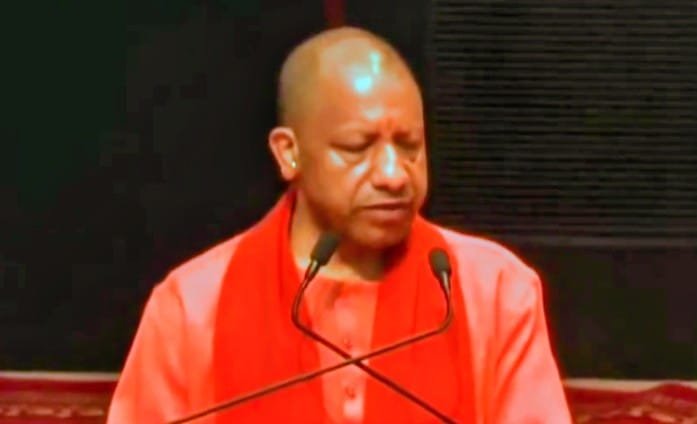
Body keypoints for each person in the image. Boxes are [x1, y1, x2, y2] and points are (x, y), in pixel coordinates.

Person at [107, 27, 571, 423]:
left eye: (409, 145)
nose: (393, 175)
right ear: (289, 153)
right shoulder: (191, 306)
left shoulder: (494, 291)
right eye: (357, 148)